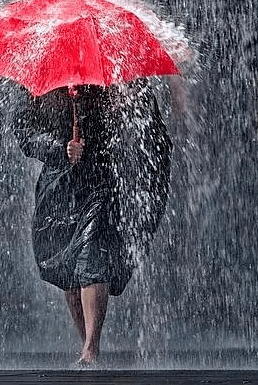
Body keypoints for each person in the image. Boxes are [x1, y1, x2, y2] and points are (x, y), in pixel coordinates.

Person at [12, 80, 171, 366]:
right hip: (58, 188)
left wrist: (120, 108)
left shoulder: (109, 77)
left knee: (93, 257)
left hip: (99, 179)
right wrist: (60, 149)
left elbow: (142, 120)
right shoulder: (36, 85)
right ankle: (86, 342)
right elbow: (24, 131)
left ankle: (90, 348)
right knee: (67, 267)